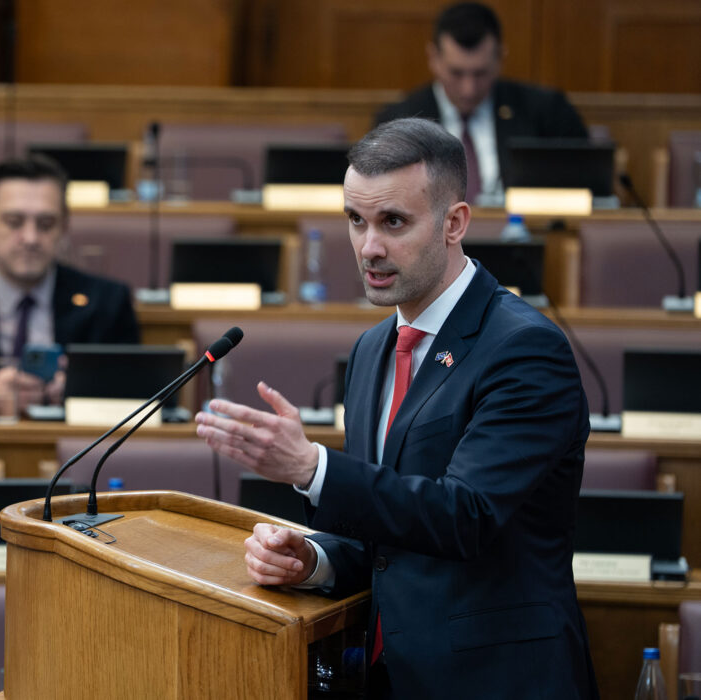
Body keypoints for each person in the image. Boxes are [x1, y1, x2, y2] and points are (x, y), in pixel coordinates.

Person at [195, 118, 597, 698]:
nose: (369, 247)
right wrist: (315, 560)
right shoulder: (373, 348)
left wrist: (313, 470)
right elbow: (386, 537)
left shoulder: (524, 348)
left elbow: (466, 517)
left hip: (499, 680)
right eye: (356, 221)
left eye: (393, 222)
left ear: (454, 222)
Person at [0, 156, 139, 415]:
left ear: (64, 229)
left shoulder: (107, 302)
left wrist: (80, 394)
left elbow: (135, 400)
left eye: (46, 224)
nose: (30, 238)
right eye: (14, 222)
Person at [374, 2, 587, 203]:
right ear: (433, 58)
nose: (469, 89)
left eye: (480, 73)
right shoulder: (398, 122)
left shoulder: (546, 112)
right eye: (456, 73)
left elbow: (585, 187)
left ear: (500, 59)